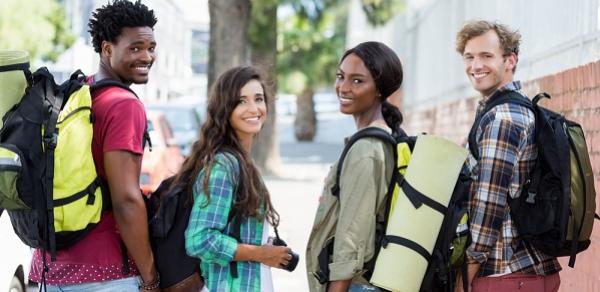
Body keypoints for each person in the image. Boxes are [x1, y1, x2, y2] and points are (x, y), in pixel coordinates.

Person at [28, 1, 160, 291]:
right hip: (105, 273)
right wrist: (151, 278)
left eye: (151, 47)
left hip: (49, 269)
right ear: (107, 48)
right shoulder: (124, 105)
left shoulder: (77, 92)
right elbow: (126, 200)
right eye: (135, 48)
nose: (147, 56)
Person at [455, 20, 561, 292]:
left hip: (505, 273)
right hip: (531, 269)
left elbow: (488, 203)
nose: (475, 66)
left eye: (486, 56)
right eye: (469, 57)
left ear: (510, 60)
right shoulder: (516, 108)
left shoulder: (502, 118)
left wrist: (466, 273)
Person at [181, 66, 292, 292]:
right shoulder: (224, 166)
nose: (254, 108)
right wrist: (259, 254)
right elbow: (199, 239)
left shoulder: (242, 162)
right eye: (241, 101)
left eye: (258, 99)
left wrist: (265, 249)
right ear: (225, 109)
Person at [306, 41, 404, 292]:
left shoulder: (366, 150)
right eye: (341, 77)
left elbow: (353, 237)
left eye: (357, 81)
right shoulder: (381, 137)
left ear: (379, 89)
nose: (344, 87)